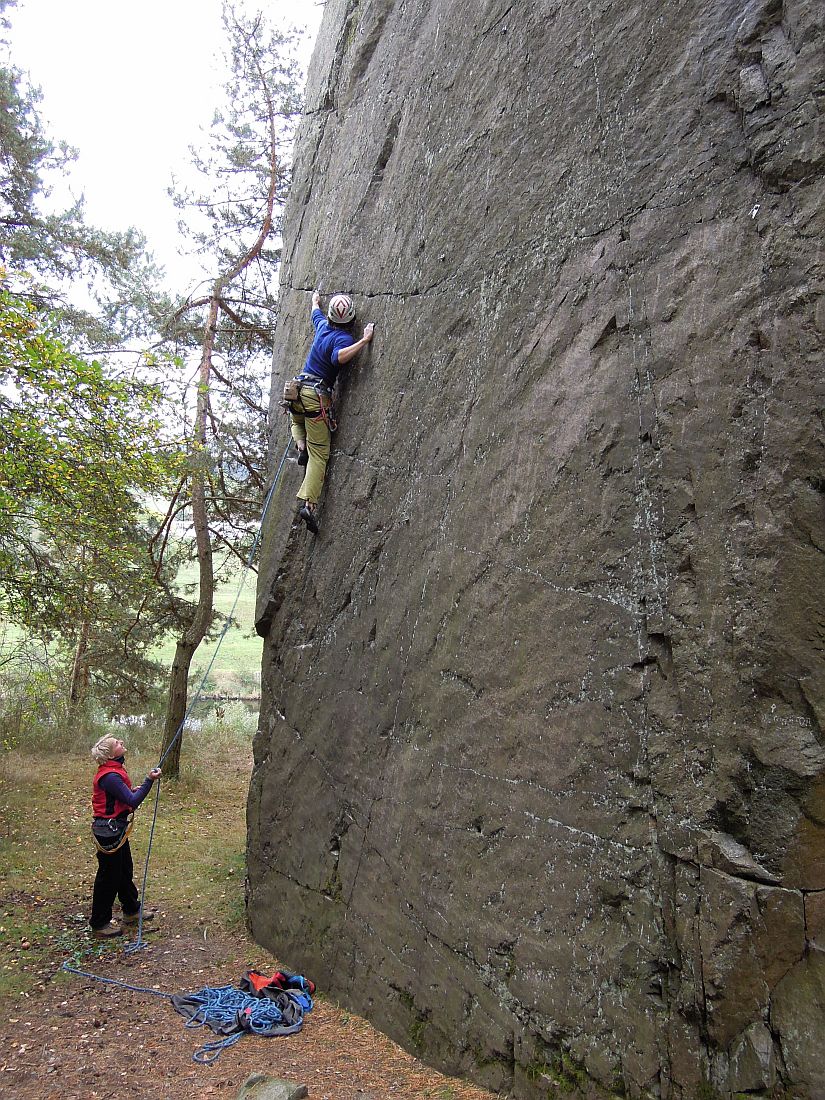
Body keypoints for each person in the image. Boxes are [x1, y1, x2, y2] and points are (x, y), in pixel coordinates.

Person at [288, 289, 375, 534]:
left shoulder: (322, 327)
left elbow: (314, 313)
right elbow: (339, 357)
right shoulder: (343, 339)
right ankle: (309, 505)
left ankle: (300, 445)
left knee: (296, 419)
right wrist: (364, 341)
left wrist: (315, 301)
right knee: (320, 454)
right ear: (351, 320)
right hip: (315, 396)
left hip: (297, 391)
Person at [89, 735, 161, 938]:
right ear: (111, 754)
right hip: (108, 832)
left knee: (124, 870)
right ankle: (99, 923)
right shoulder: (110, 776)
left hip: (114, 830)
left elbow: (123, 797)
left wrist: (132, 791)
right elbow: (133, 801)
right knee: (108, 878)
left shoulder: (113, 772)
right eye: (117, 744)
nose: (121, 742)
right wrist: (149, 781)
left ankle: (131, 910)